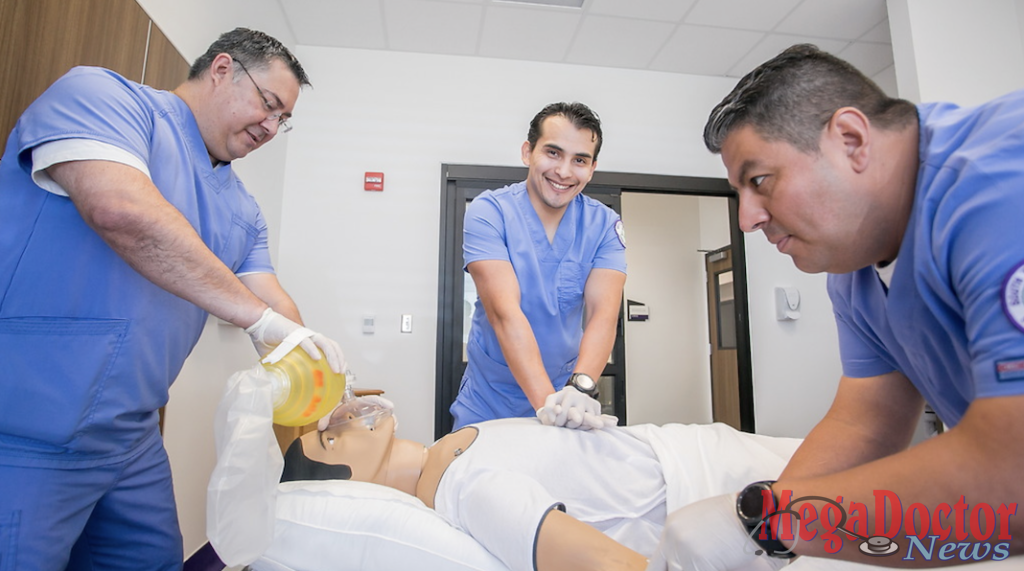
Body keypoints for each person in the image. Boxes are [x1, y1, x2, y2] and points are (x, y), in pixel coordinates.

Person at [645, 44, 1024, 570]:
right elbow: (865, 422)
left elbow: (1014, 470)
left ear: (851, 140)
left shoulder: (1000, 183)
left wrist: (774, 522)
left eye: (759, 181)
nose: (747, 220)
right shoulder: (854, 270)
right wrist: (758, 531)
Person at [0, 28, 345, 570]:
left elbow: (272, 302)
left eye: (283, 120)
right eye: (269, 105)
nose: (272, 127)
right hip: (23, 425)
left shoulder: (243, 209)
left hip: (131, 437)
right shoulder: (104, 100)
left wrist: (327, 392)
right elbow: (121, 212)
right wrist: (257, 321)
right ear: (223, 69)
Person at [281, 396, 799, 571]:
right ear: (354, 483)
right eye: (329, 440)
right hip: (719, 492)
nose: (338, 424)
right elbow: (611, 564)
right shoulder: (461, 487)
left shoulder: (450, 450)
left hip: (697, 450)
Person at [450, 101, 628, 430]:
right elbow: (505, 315)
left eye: (579, 160)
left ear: (592, 169)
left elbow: (603, 316)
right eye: (553, 153)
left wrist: (579, 389)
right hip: (490, 399)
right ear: (527, 152)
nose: (563, 171)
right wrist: (550, 409)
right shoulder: (490, 213)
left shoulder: (604, 224)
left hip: (566, 393)